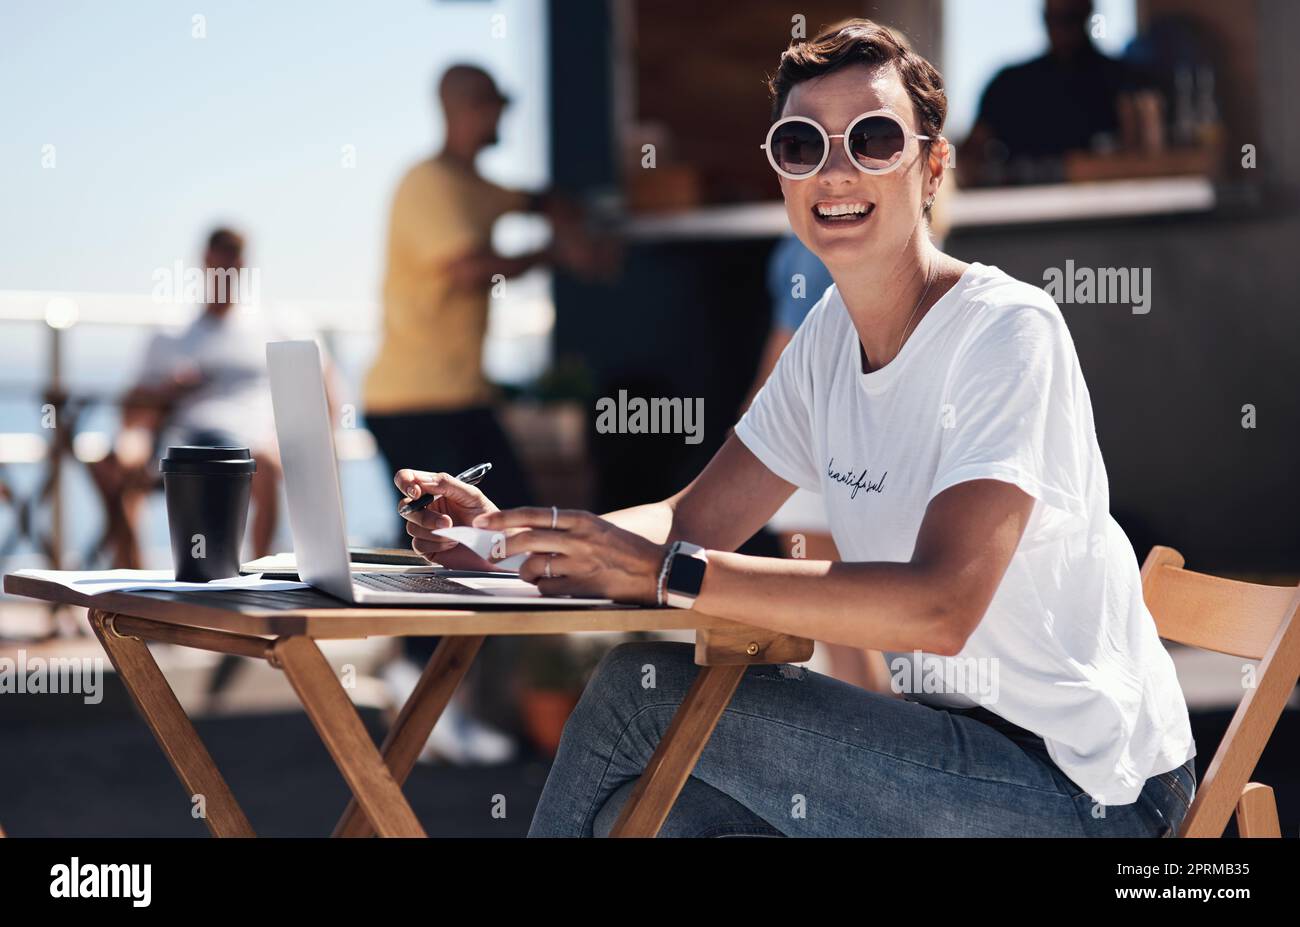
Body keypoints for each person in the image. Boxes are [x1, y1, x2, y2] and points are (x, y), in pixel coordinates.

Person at [392, 19, 1196, 836]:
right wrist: (508, 540)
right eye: (802, 144)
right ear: (781, 177)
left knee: (635, 692)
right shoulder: (825, 343)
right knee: (650, 818)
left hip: (1085, 790)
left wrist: (671, 575)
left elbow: (941, 606)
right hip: (942, 749)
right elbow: (690, 519)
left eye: (875, 139)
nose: (835, 170)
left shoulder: (1006, 331)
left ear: (933, 169)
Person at [365, 63, 603, 765]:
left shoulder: (476, 184)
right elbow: (469, 266)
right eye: (494, 107)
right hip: (412, 398)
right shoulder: (427, 183)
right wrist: (557, 249)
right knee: (442, 544)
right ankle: (421, 689)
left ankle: (449, 691)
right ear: (463, 107)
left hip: (461, 394)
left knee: (495, 529)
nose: (501, 119)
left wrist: (566, 213)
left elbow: (530, 196)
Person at [90, 228, 330, 567]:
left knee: (265, 461)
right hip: (182, 441)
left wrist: (304, 439)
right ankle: (134, 584)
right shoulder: (170, 332)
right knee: (117, 466)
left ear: (244, 267)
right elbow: (132, 406)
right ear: (203, 264)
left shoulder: (275, 325)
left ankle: (253, 582)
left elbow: (321, 383)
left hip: (249, 441)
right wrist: (169, 391)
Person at [960, 0, 1137, 186]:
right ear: (1044, 17)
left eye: (1070, 18)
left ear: (1088, 14)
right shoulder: (1009, 84)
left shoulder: (1121, 81)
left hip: (1108, 202)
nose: (1061, 29)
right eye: (1054, 18)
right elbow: (970, 155)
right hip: (1023, 206)